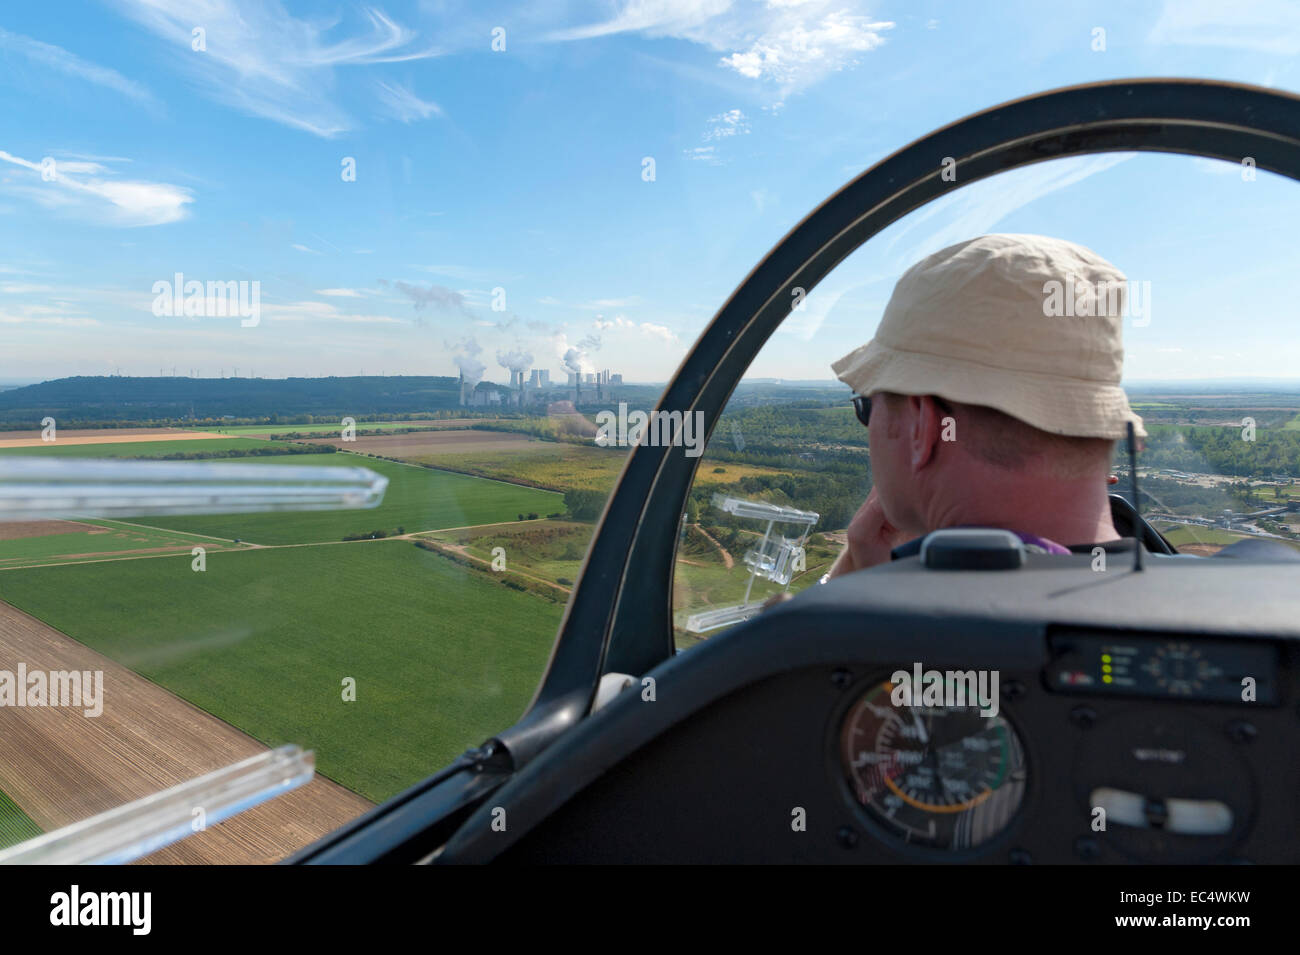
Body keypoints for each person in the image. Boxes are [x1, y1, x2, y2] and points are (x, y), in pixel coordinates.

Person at [825, 233, 1145, 578]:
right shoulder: (1197, 608)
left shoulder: (889, 628)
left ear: (923, 425)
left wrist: (851, 585)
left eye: (867, 407)